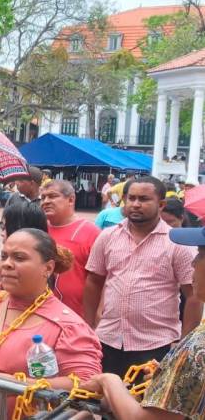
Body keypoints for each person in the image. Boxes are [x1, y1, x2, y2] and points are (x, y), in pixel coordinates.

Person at [0, 228, 102, 419]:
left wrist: (17, 385)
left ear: (48, 268)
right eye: (3, 256)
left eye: (19, 258)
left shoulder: (69, 326)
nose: (7, 264)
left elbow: (89, 384)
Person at [78, 225, 205, 420]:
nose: (193, 263)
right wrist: (169, 373)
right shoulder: (109, 236)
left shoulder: (197, 348)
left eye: (200, 254)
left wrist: (109, 381)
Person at [84, 176, 203, 377]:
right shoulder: (108, 236)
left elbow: (193, 296)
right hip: (108, 339)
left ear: (161, 204)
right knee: (102, 403)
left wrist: (182, 345)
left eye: (144, 199)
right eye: (131, 198)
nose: (136, 204)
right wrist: (88, 327)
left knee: (144, 405)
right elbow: (94, 281)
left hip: (156, 345)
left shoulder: (176, 242)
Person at [40, 180, 100, 316]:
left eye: (52, 196)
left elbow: (101, 279)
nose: (45, 201)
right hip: (40, 313)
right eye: (43, 197)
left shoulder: (91, 233)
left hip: (77, 316)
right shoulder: (38, 228)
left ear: (71, 199)